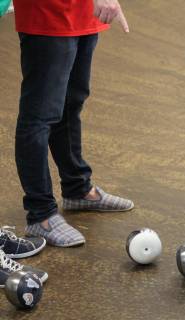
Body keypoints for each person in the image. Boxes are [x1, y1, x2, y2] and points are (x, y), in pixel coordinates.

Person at [12, 0, 133, 247]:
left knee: (71, 103)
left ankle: (77, 188)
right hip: (48, 13)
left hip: (83, 13)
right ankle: (41, 215)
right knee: (39, 115)